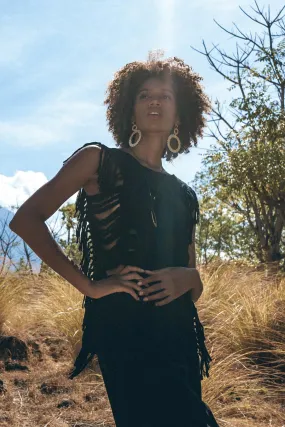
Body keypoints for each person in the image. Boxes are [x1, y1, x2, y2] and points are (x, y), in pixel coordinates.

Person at [9, 54, 219, 427]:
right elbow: (26, 220)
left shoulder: (185, 194)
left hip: (179, 333)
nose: (155, 101)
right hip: (125, 328)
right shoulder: (99, 161)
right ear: (129, 108)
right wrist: (88, 285)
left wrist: (186, 278)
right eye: (144, 95)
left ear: (181, 111)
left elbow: (194, 279)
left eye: (166, 96)